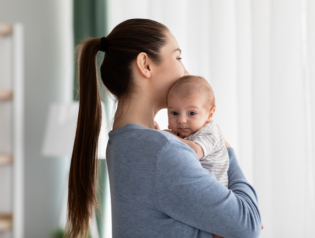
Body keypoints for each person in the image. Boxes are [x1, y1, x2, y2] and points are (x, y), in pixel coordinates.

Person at [66, 18, 262, 238]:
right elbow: (249, 223)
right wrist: (220, 142)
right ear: (146, 65)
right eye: (178, 57)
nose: (186, 71)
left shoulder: (123, 142)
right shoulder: (162, 150)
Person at [164, 75, 229, 188]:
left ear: (210, 114)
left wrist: (169, 137)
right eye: (175, 113)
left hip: (212, 193)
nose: (182, 120)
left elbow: (194, 151)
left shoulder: (210, 132)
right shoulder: (181, 134)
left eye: (192, 113)